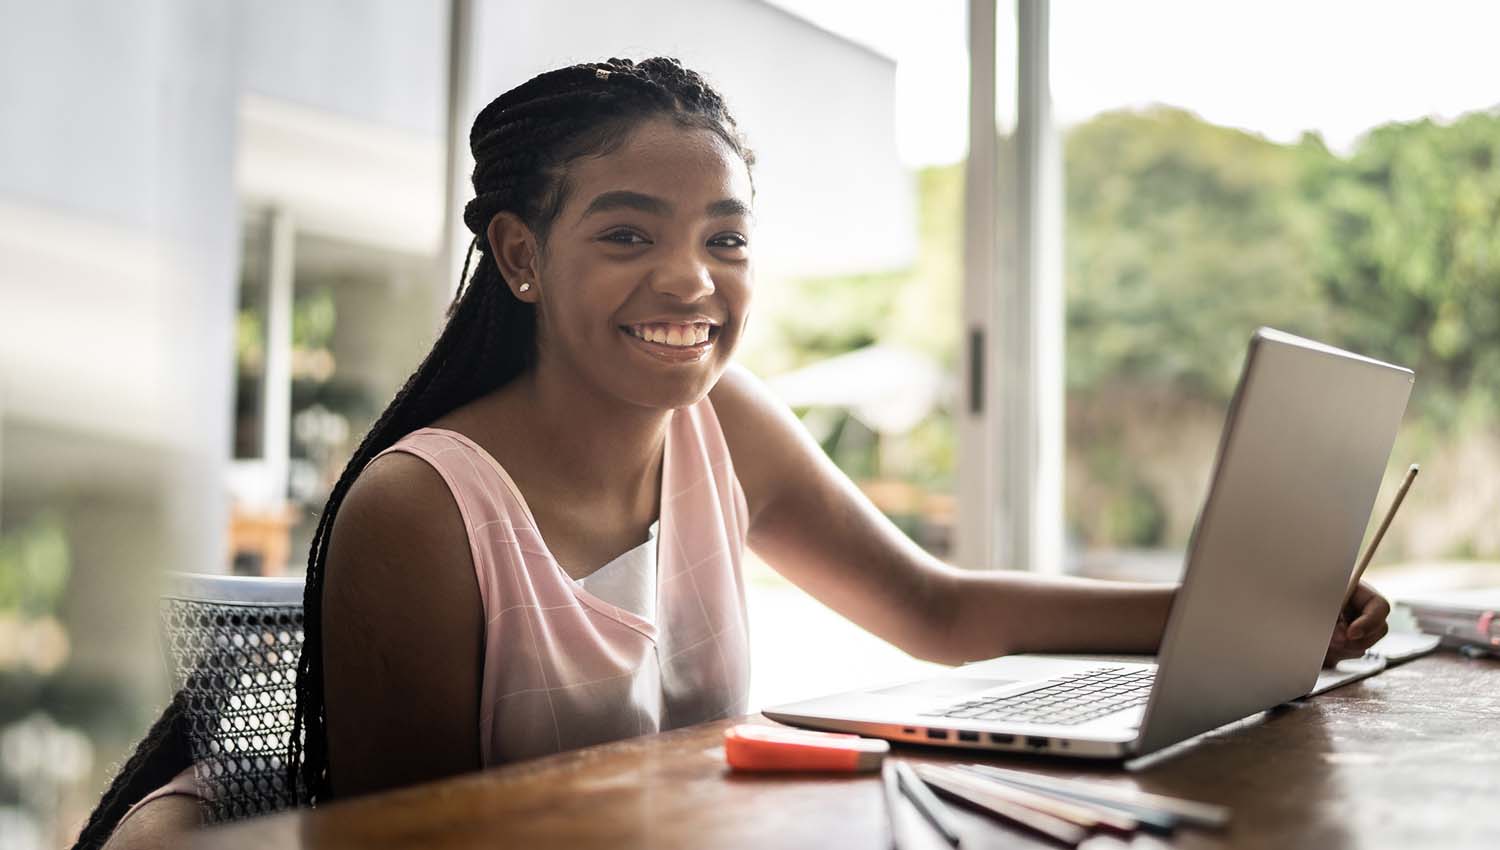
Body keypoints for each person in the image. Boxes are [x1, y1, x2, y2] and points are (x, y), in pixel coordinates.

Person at [76, 56, 1392, 849]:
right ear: (522, 256)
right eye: (629, 233)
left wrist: (1235, 616)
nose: (689, 278)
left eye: (728, 236)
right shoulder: (424, 508)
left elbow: (933, 607)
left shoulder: (725, 421)